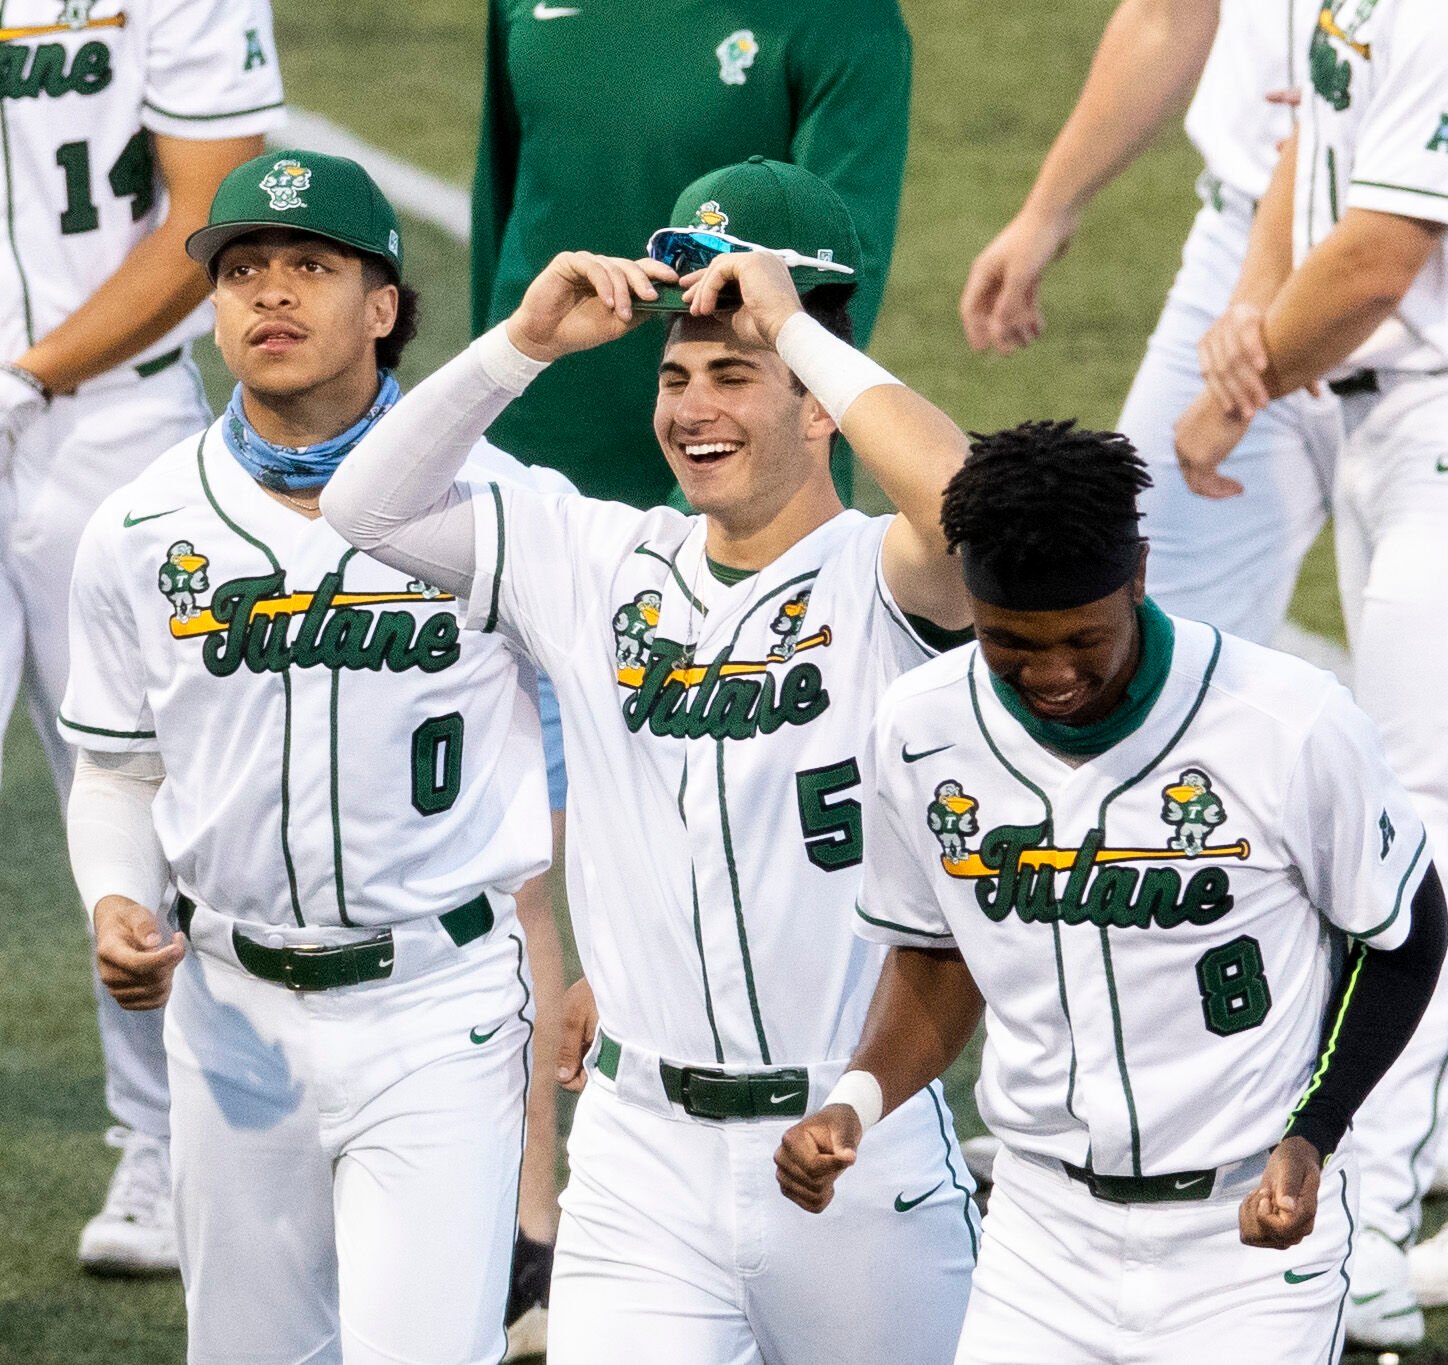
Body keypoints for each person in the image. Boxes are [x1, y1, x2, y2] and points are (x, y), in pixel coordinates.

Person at [324, 160, 979, 1364]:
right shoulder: (595, 557)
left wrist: (795, 326)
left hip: (850, 1142)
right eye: (675, 377)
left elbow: (982, 519)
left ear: (821, 403)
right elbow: (367, 505)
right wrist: (519, 343)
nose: (692, 410)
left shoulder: (884, 577)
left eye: (735, 376)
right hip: (637, 1159)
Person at [776, 421, 1447, 1365]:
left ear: (1137, 572)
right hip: (1039, 1233)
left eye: (1083, 638)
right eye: (1010, 640)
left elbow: (1406, 934)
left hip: (1246, 1236)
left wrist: (1317, 1129)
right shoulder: (921, 729)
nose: (1050, 673)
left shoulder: (1283, 723)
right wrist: (856, 1096)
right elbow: (936, 951)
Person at [59, 149, 556, 1363]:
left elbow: (600, 754)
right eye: (240, 270)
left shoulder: (503, 509)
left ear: (383, 308)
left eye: (308, 265)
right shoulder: (137, 529)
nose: (269, 292)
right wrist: (117, 898)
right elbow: (119, 770)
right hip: (226, 1012)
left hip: (441, 1009)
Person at [1172, 0, 1448, 1342]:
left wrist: (1247, 369)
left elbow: (1385, 258)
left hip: (1433, 410)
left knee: (1414, 813)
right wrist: (1242, 317)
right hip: (1378, 426)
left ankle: (1374, 1221)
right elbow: (1313, 125)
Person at [0, 0, 286, 1273]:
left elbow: (208, 215)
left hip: (108, 424)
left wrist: (23, 377)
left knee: (147, 785)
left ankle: (170, 1139)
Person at [958, 0, 1336, 646]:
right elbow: (1169, 13)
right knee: (1150, 624)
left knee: (1423, 697)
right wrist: (1048, 210)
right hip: (1240, 246)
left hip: (1417, 280)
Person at [472, 0, 910, 508]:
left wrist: (696, 507)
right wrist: (486, 403)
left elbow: (838, 279)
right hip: (526, 454)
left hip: (737, 484)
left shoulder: (848, 18)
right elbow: (499, 209)